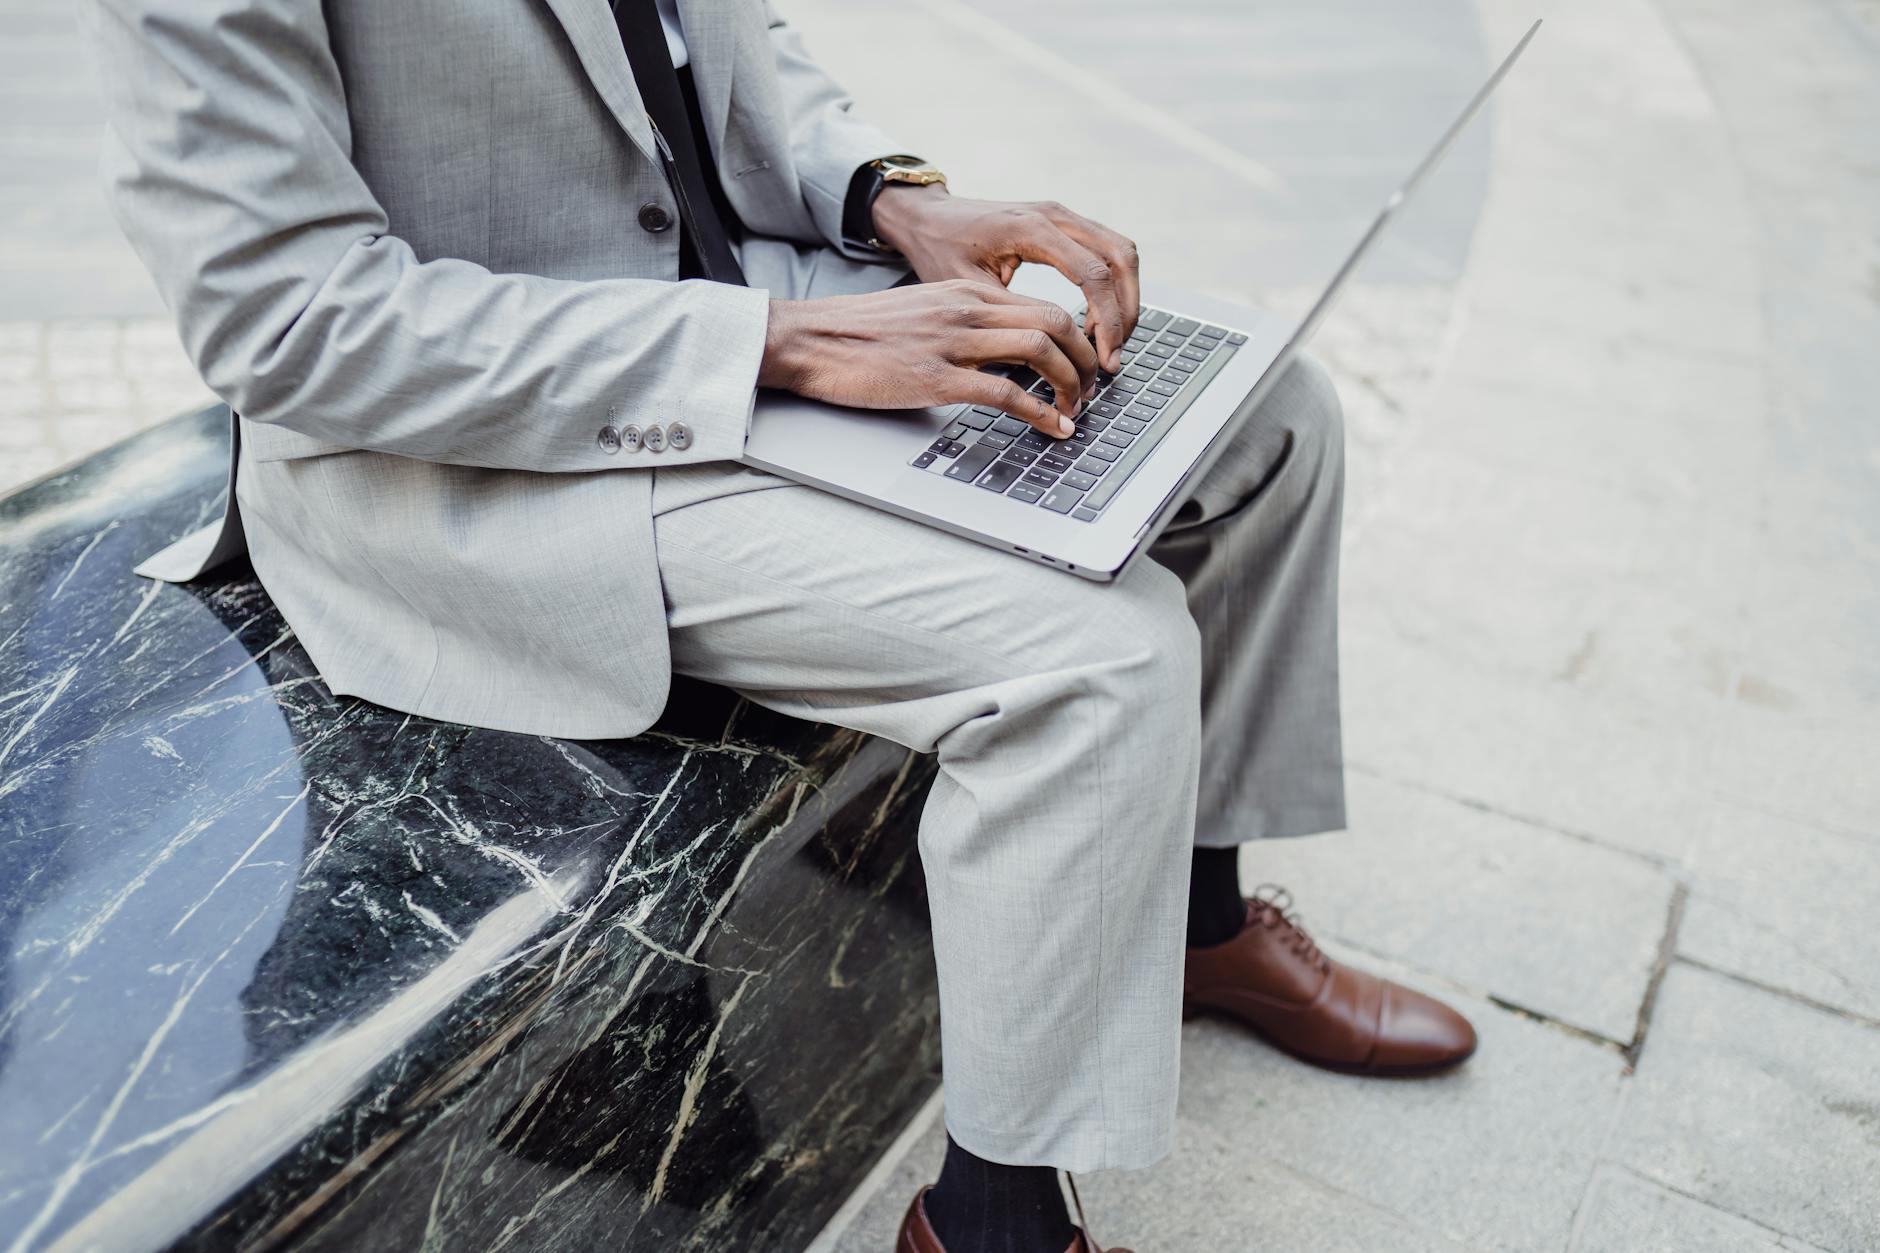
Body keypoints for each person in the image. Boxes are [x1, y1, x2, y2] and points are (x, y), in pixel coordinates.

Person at [91, 0, 1477, 1248]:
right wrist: (780, 350)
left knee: (1271, 415)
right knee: (1102, 657)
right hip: (479, 450)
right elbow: (286, 320)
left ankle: (1195, 915)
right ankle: (988, 1225)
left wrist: (889, 201)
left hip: (740, 287)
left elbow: (725, 46)